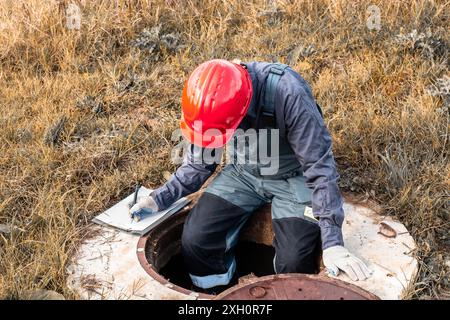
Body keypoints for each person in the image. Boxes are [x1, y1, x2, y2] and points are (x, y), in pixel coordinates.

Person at [129, 59, 372, 292]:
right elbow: (199, 164)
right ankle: (217, 292)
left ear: (242, 110)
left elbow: (319, 169)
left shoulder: (288, 93)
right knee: (196, 239)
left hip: (294, 178)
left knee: (294, 262)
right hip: (242, 174)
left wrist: (333, 243)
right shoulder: (209, 103)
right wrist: (159, 199)